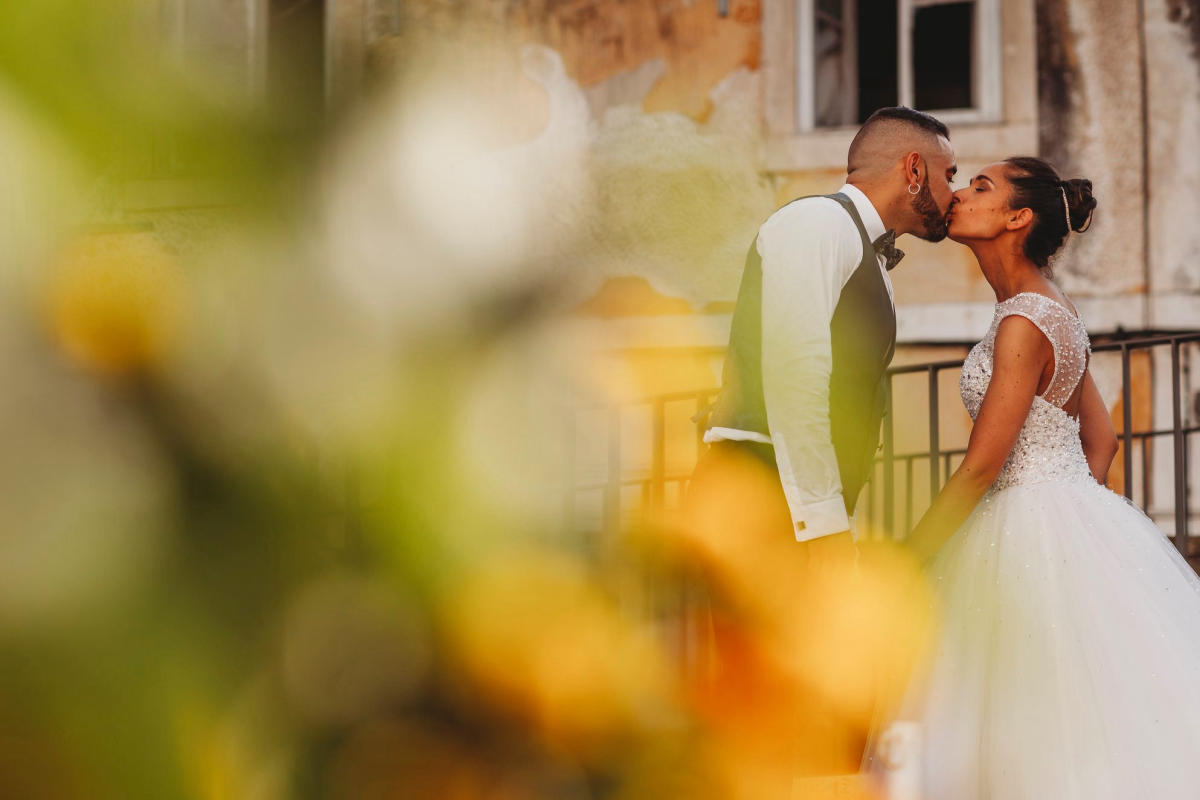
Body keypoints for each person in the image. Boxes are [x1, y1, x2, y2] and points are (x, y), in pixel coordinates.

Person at [882, 156, 1200, 798]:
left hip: (1023, 523)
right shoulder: (1051, 309)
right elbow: (1101, 440)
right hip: (1065, 514)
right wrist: (1081, 520)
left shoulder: (1023, 321)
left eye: (980, 188)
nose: (961, 195)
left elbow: (980, 466)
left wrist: (910, 556)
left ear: (1017, 218)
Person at [681, 107, 957, 786]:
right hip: (764, 496)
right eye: (951, 175)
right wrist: (825, 527)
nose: (955, 192)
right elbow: (796, 374)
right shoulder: (815, 225)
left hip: (797, 504)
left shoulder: (863, 249)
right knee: (762, 715)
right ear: (912, 170)